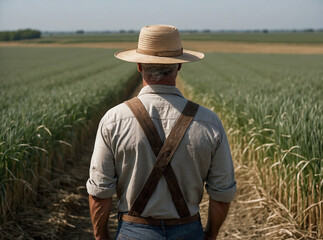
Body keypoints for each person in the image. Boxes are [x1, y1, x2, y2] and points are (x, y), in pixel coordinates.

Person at [86, 24, 237, 240]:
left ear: (139, 66)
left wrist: (101, 237)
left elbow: (99, 194)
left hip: (132, 232)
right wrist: (211, 234)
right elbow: (222, 193)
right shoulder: (209, 122)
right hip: (188, 231)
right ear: (179, 66)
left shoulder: (113, 120)